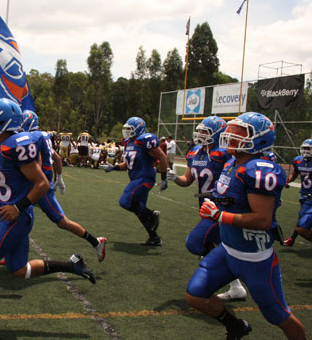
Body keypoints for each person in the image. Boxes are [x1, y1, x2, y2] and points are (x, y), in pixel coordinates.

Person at [0, 98, 96, 331]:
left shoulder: (16, 145)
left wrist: (17, 207)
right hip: (10, 213)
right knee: (18, 270)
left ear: (5, 122)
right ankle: (72, 265)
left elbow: (41, 184)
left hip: (18, 218)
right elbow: (13, 183)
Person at [185, 112, 306, 339]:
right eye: (231, 129)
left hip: (255, 259)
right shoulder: (232, 163)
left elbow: (262, 220)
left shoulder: (259, 168)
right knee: (195, 295)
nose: (230, 135)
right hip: (228, 250)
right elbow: (233, 197)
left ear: (259, 139)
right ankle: (236, 326)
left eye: (240, 132)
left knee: (278, 315)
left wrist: (220, 215)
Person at [167, 116, 247, 301]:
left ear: (217, 134)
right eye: (200, 130)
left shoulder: (225, 153)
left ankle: (218, 273)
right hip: (206, 207)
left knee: (195, 243)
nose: (200, 134)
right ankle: (236, 287)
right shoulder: (194, 152)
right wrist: (175, 178)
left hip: (221, 207)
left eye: (205, 131)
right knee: (222, 245)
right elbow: (187, 181)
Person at [22, 110, 107, 261]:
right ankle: (13, 252)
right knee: (19, 217)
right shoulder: (44, 136)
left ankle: (96, 241)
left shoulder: (33, 137)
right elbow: (57, 158)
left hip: (39, 187)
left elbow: (39, 161)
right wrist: (60, 177)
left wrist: (34, 179)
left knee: (61, 221)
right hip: (40, 183)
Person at [104, 116, 168, 246]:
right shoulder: (129, 142)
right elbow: (127, 164)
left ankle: (153, 214)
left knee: (125, 201)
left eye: (130, 129)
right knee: (139, 210)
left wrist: (164, 178)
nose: (127, 131)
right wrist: (114, 167)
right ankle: (154, 237)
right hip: (136, 178)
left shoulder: (144, 140)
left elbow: (162, 156)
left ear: (139, 129)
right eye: (126, 128)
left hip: (145, 177)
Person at [283, 138, 312, 246]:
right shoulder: (298, 160)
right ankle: (292, 239)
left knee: (303, 224)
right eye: (304, 148)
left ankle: (292, 239)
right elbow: (295, 173)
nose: (306, 151)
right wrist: (288, 180)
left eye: (309, 148)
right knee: (301, 218)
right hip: (304, 195)